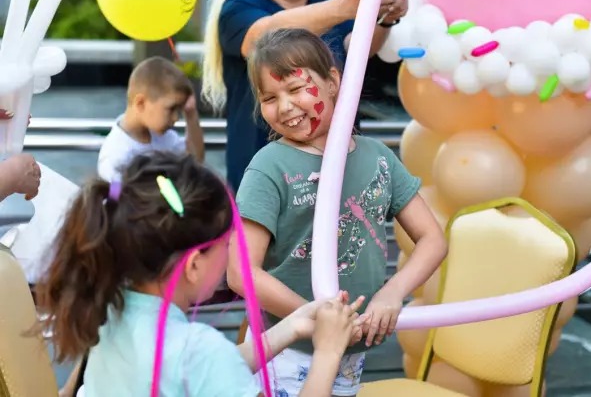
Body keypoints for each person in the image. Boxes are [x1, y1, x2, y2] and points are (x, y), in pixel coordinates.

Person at [227, 28, 448, 397]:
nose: (285, 106)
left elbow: (432, 239)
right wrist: (314, 319)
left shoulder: (378, 157)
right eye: (270, 98)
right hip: (284, 351)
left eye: (296, 89)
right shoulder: (269, 165)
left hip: (350, 353)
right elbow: (241, 272)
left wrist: (393, 292)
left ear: (333, 82)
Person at [36, 151, 367, 397]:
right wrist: (328, 352)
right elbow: (209, 366)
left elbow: (209, 372)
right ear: (194, 265)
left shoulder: (110, 309)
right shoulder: (199, 352)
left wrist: (293, 326)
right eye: (226, 244)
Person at [202, 0, 409, 192]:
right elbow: (262, 38)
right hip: (264, 178)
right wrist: (343, 6)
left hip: (337, 170)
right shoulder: (237, 7)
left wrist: (385, 18)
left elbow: (358, 46)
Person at [97, 57, 205, 183]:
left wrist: (191, 115)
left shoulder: (163, 137)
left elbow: (195, 160)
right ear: (141, 103)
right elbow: (113, 194)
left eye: (179, 110)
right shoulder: (116, 155)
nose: (176, 118)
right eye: (171, 109)